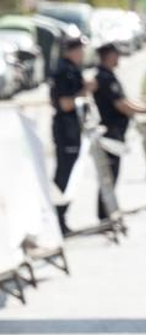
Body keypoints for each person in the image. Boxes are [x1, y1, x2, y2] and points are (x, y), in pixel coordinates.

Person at [91, 42, 146, 222]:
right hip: (110, 130)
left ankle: (108, 210)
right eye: (116, 54)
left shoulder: (109, 75)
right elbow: (122, 105)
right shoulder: (104, 77)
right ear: (109, 56)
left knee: (112, 172)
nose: (118, 57)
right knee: (109, 173)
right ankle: (105, 213)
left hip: (117, 129)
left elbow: (126, 101)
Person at [48, 35, 91, 233]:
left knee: (68, 173)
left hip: (72, 128)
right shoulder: (65, 72)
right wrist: (84, 92)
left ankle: (59, 218)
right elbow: (65, 103)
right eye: (80, 49)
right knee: (65, 174)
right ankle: (56, 218)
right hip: (66, 129)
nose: (82, 54)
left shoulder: (71, 70)